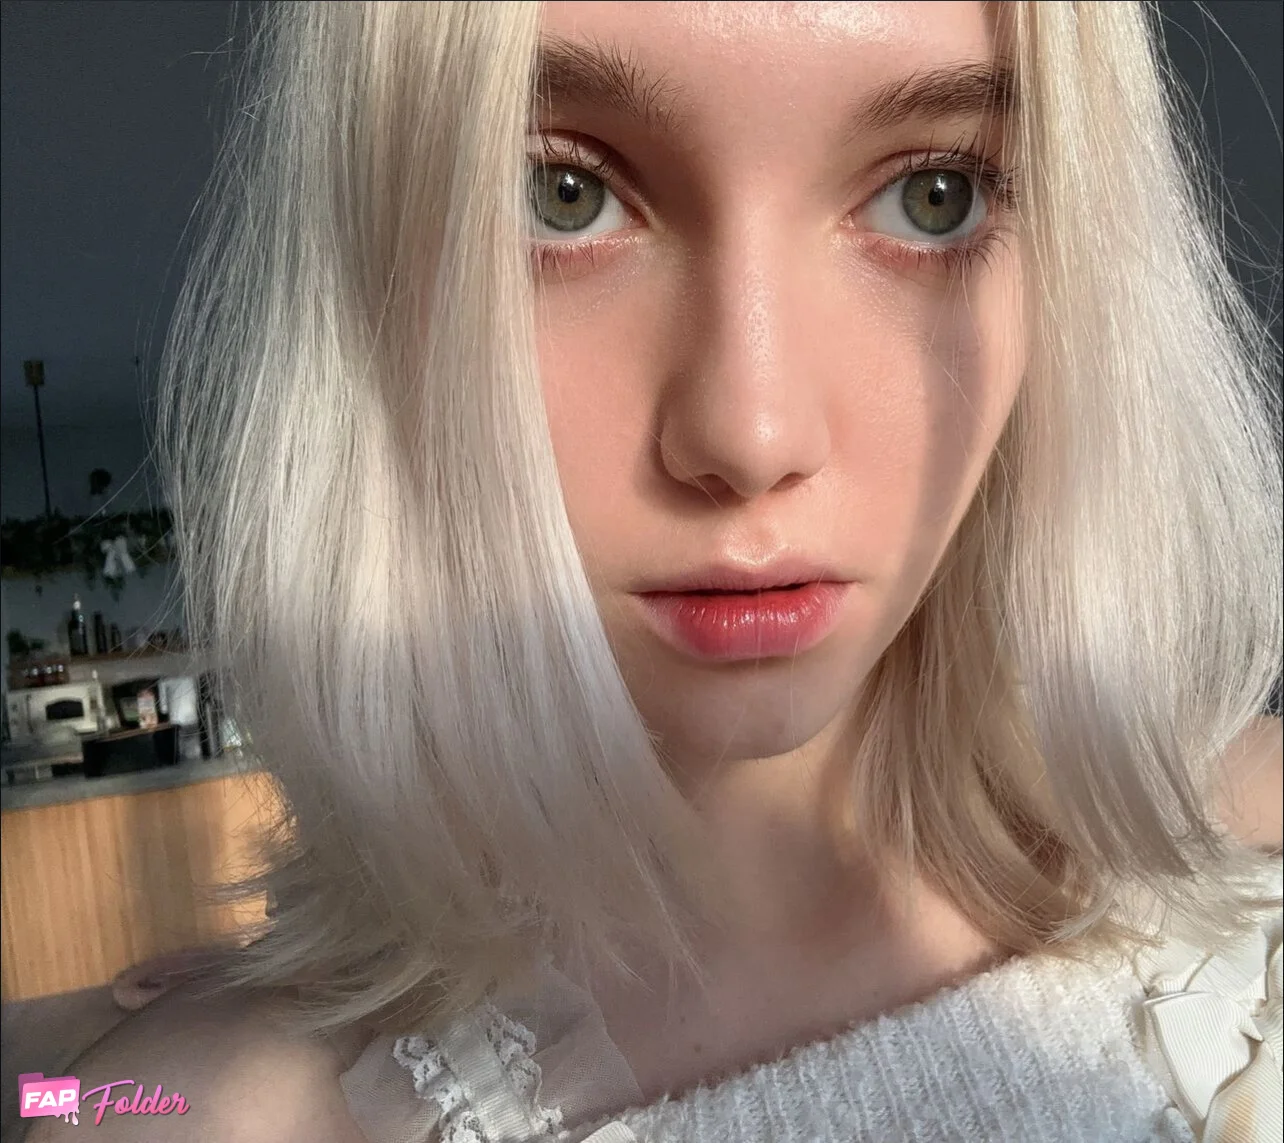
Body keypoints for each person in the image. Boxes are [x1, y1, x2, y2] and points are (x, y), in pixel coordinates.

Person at [29, 3, 1282, 1141]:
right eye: (560, 194)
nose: (753, 434)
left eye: (934, 195)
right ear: (368, 275)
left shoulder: (1238, 845)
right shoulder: (175, 1115)